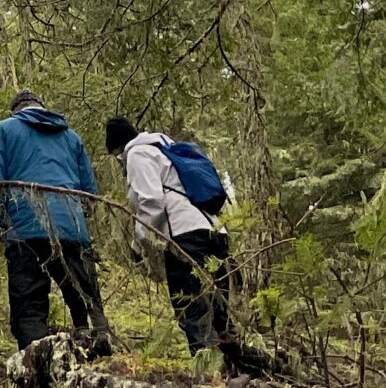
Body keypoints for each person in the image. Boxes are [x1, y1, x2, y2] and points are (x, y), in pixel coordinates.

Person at [104, 116, 271, 376]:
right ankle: (239, 371)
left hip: (185, 234)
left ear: (118, 147)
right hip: (215, 231)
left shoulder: (137, 153)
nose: (118, 162)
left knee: (191, 307)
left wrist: (139, 243)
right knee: (219, 310)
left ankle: (211, 375)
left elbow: (151, 202)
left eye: (115, 155)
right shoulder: (167, 148)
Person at [0, 90, 112, 352]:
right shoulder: (71, 137)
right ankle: (98, 342)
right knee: (82, 292)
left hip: (24, 228)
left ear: (15, 110)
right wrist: (79, 218)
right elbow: (88, 190)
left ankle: (35, 362)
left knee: (28, 305)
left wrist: (2, 220)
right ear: (42, 106)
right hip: (71, 225)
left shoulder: (3, 130)